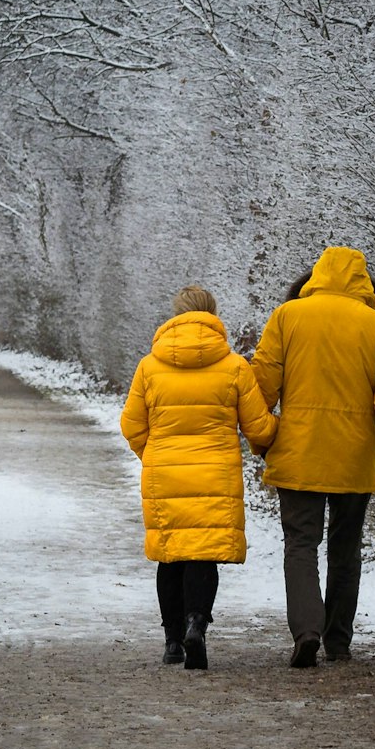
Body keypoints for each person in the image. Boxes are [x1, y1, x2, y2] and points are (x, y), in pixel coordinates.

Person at [252, 246, 375, 669]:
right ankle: (338, 640)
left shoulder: (287, 317)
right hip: (354, 458)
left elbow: (261, 389)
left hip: (299, 452)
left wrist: (262, 439)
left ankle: (306, 629)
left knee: (300, 545)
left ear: (315, 278)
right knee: (346, 548)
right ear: (363, 283)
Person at [120, 285, 277, 670]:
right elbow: (259, 429)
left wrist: (153, 455)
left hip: (165, 472)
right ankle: (196, 624)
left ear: (175, 315)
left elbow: (130, 425)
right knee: (203, 553)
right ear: (212, 315)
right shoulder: (235, 366)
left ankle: (173, 642)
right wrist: (273, 437)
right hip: (215, 474)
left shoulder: (149, 366)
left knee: (170, 555)